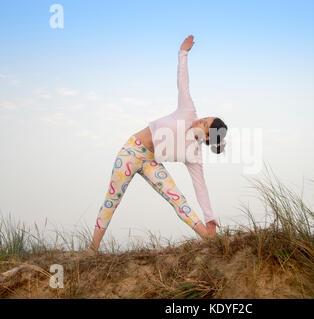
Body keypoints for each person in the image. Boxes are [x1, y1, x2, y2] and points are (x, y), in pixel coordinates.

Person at [88, 35, 228, 252]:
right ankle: (92, 248)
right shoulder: (187, 111)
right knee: (113, 199)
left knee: (177, 199)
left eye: (206, 123)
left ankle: (209, 242)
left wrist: (210, 217)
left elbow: (201, 187)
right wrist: (183, 52)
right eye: (205, 117)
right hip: (132, 151)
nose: (201, 119)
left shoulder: (194, 155)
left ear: (208, 137)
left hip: (150, 161)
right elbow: (183, 82)